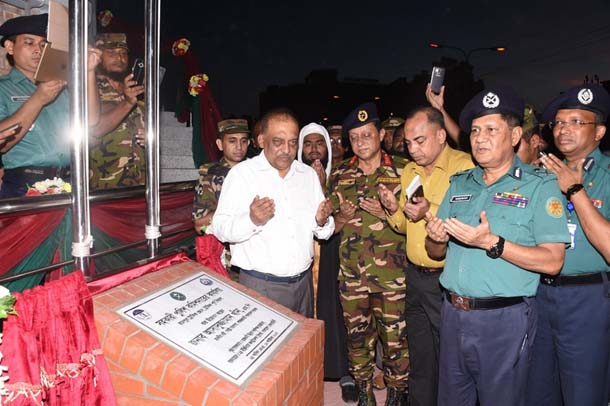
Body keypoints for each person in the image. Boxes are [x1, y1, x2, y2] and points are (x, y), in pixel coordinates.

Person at [424, 87, 570, 406]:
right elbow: (437, 253)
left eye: (491, 129)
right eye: (475, 130)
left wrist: (492, 242)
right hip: (452, 314)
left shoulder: (539, 186)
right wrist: (434, 239)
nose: (480, 138)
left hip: (503, 321)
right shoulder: (460, 183)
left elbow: (553, 261)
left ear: (516, 135)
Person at [378, 106, 474, 406]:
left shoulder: (465, 168)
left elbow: (467, 224)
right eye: (408, 143)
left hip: (446, 281)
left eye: (420, 141)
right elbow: (408, 226)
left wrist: (428, 209)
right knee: (420, 357)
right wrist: (394, 209)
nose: (413, 149)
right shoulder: (410, 171)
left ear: (441, 135)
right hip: (415, 277)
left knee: (450, 359)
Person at [526, 84, 610, 406]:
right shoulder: (541, 176)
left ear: (599, 131)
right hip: (539, 294)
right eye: (559, 123)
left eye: (577, 122)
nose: (564, 130)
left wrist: (575, 190)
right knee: (538, 392)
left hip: (586, 300)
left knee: (583, 394)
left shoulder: (606, 175)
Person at [212, 108, 334, 318]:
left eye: (293, 142)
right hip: (261, 285)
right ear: (261, 140)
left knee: (303, 348)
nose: (287, 149)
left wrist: (321, 221)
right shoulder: (242, 175)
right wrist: (252, 220)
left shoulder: (307, 175)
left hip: (303, 284)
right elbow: (221, 229)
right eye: (278, 141)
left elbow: (323, 233)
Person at [329, 102, 409, 406]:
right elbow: (328, 228)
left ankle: (397, 391)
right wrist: (337, 219)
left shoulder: (403, 170)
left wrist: (391, 212)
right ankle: (363, 388)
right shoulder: (338, 175)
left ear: (381, 135)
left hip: (393, 276)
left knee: (395, 340)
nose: (361, 142)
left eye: (367, 135)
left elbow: (416, 224)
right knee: (357, 338)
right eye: (355, 137)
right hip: (352, 277)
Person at [0, 14, 101, 197]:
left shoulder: (59, 86)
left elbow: (91, 120)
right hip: (25, 185)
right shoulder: (3, 88)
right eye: (29, 43)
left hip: (69, 181)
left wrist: (89, 72)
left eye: (43, 44)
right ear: (10, 47)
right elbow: (3, 143)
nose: (38, 50)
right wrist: (38, 99)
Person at [297, 122, 358, 403]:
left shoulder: (342, 177)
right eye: (307, 144)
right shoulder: (291, 179)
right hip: (300, 256)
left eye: (318, 143)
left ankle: (343, 372)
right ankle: (306, 373)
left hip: (334, 254)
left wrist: (323, 188)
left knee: (335, 310)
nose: (313, 150)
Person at [89, 33, 146, 189]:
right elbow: (95, 129)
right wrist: (127, 103)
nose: (119, 59)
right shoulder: (88, 87)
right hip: (103, 183)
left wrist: (149, 137)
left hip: (139, 182)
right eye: (111, 53)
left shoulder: (135, 88)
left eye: (123, 53)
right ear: (98, 56)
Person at [192, 118, 250, 234]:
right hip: (226, 245)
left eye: (243, 141)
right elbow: (200, 224)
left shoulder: (257, 170)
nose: (239, 147)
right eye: (232, 141)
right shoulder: (211, 176)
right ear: (220, 144)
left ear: (248, 143)